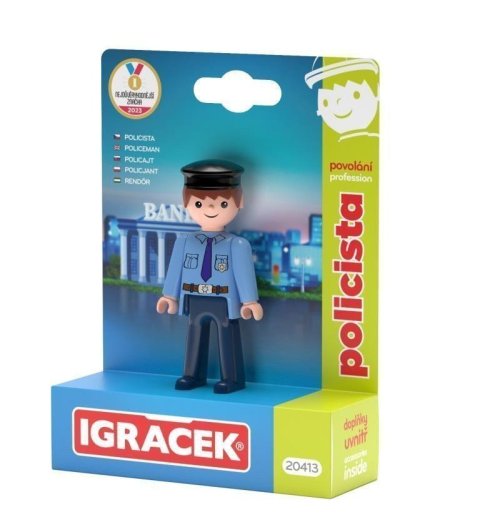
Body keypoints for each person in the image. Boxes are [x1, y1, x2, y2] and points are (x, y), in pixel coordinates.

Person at [156, 160, 263, 394]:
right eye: (199, 203)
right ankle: (192, 374)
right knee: (194, 333)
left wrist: (249, 301)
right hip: (194, 297)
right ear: (186, 202)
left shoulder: (237, 244)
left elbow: (243, 273)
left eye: (223, 203)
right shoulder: (185, 242)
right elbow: (175, 270)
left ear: (239, 201)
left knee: (227, 335)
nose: (211, 208)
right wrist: (169, 296)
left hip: (223, 299)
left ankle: (232, 378)